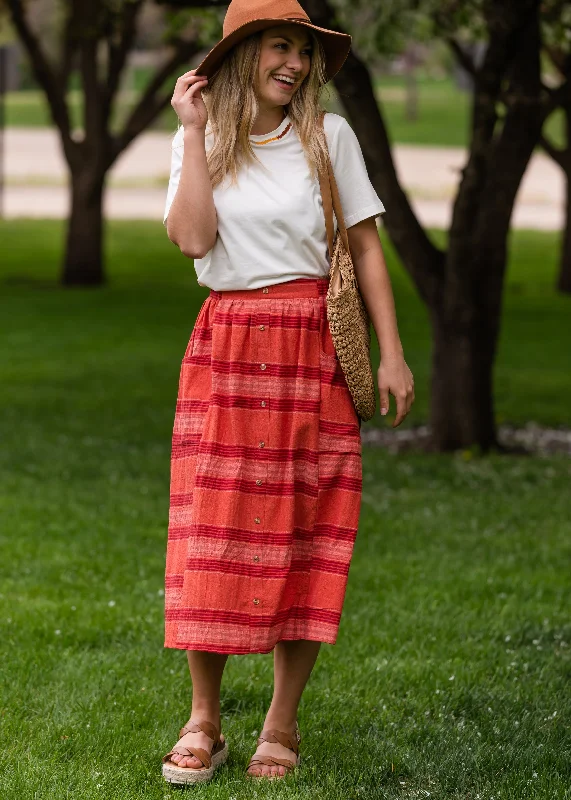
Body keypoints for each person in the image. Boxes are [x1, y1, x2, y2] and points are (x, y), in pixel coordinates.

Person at [161, 0, 414, 785]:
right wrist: (196, 134)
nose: (295, 64)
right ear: (243, 55)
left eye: (302, 50)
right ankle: (204, 719)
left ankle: (280, 720)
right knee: (214, 530)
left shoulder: (328, 136)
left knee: (307, 532)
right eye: (279, 46)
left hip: (310, 349)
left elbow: (366, 248)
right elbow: (195, 241)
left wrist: (392, 354)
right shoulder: (198, 141)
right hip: (227, 348)